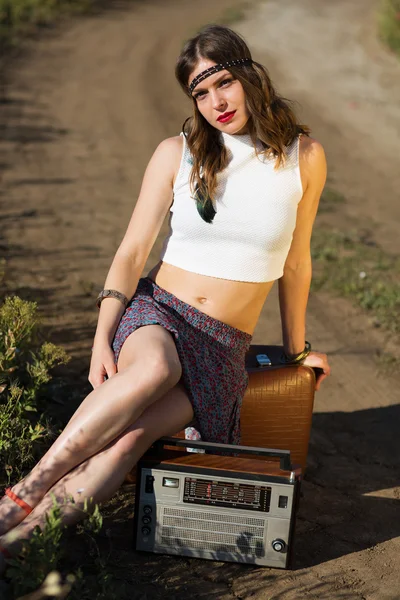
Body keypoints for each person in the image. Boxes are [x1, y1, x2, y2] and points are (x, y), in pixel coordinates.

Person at [0, 24, 331, 570]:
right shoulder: (176, 153)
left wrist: (295, 355)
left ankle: (30, 537)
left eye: (222, 82)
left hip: (222, 348)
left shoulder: (304, 157)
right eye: (199, 93)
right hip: (160, 313)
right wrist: (102, 337)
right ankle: (21, 494)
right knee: (150, 370)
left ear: (249, 76)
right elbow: (132, 252)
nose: (215, 102)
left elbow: (297, 261)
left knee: (131, 440)